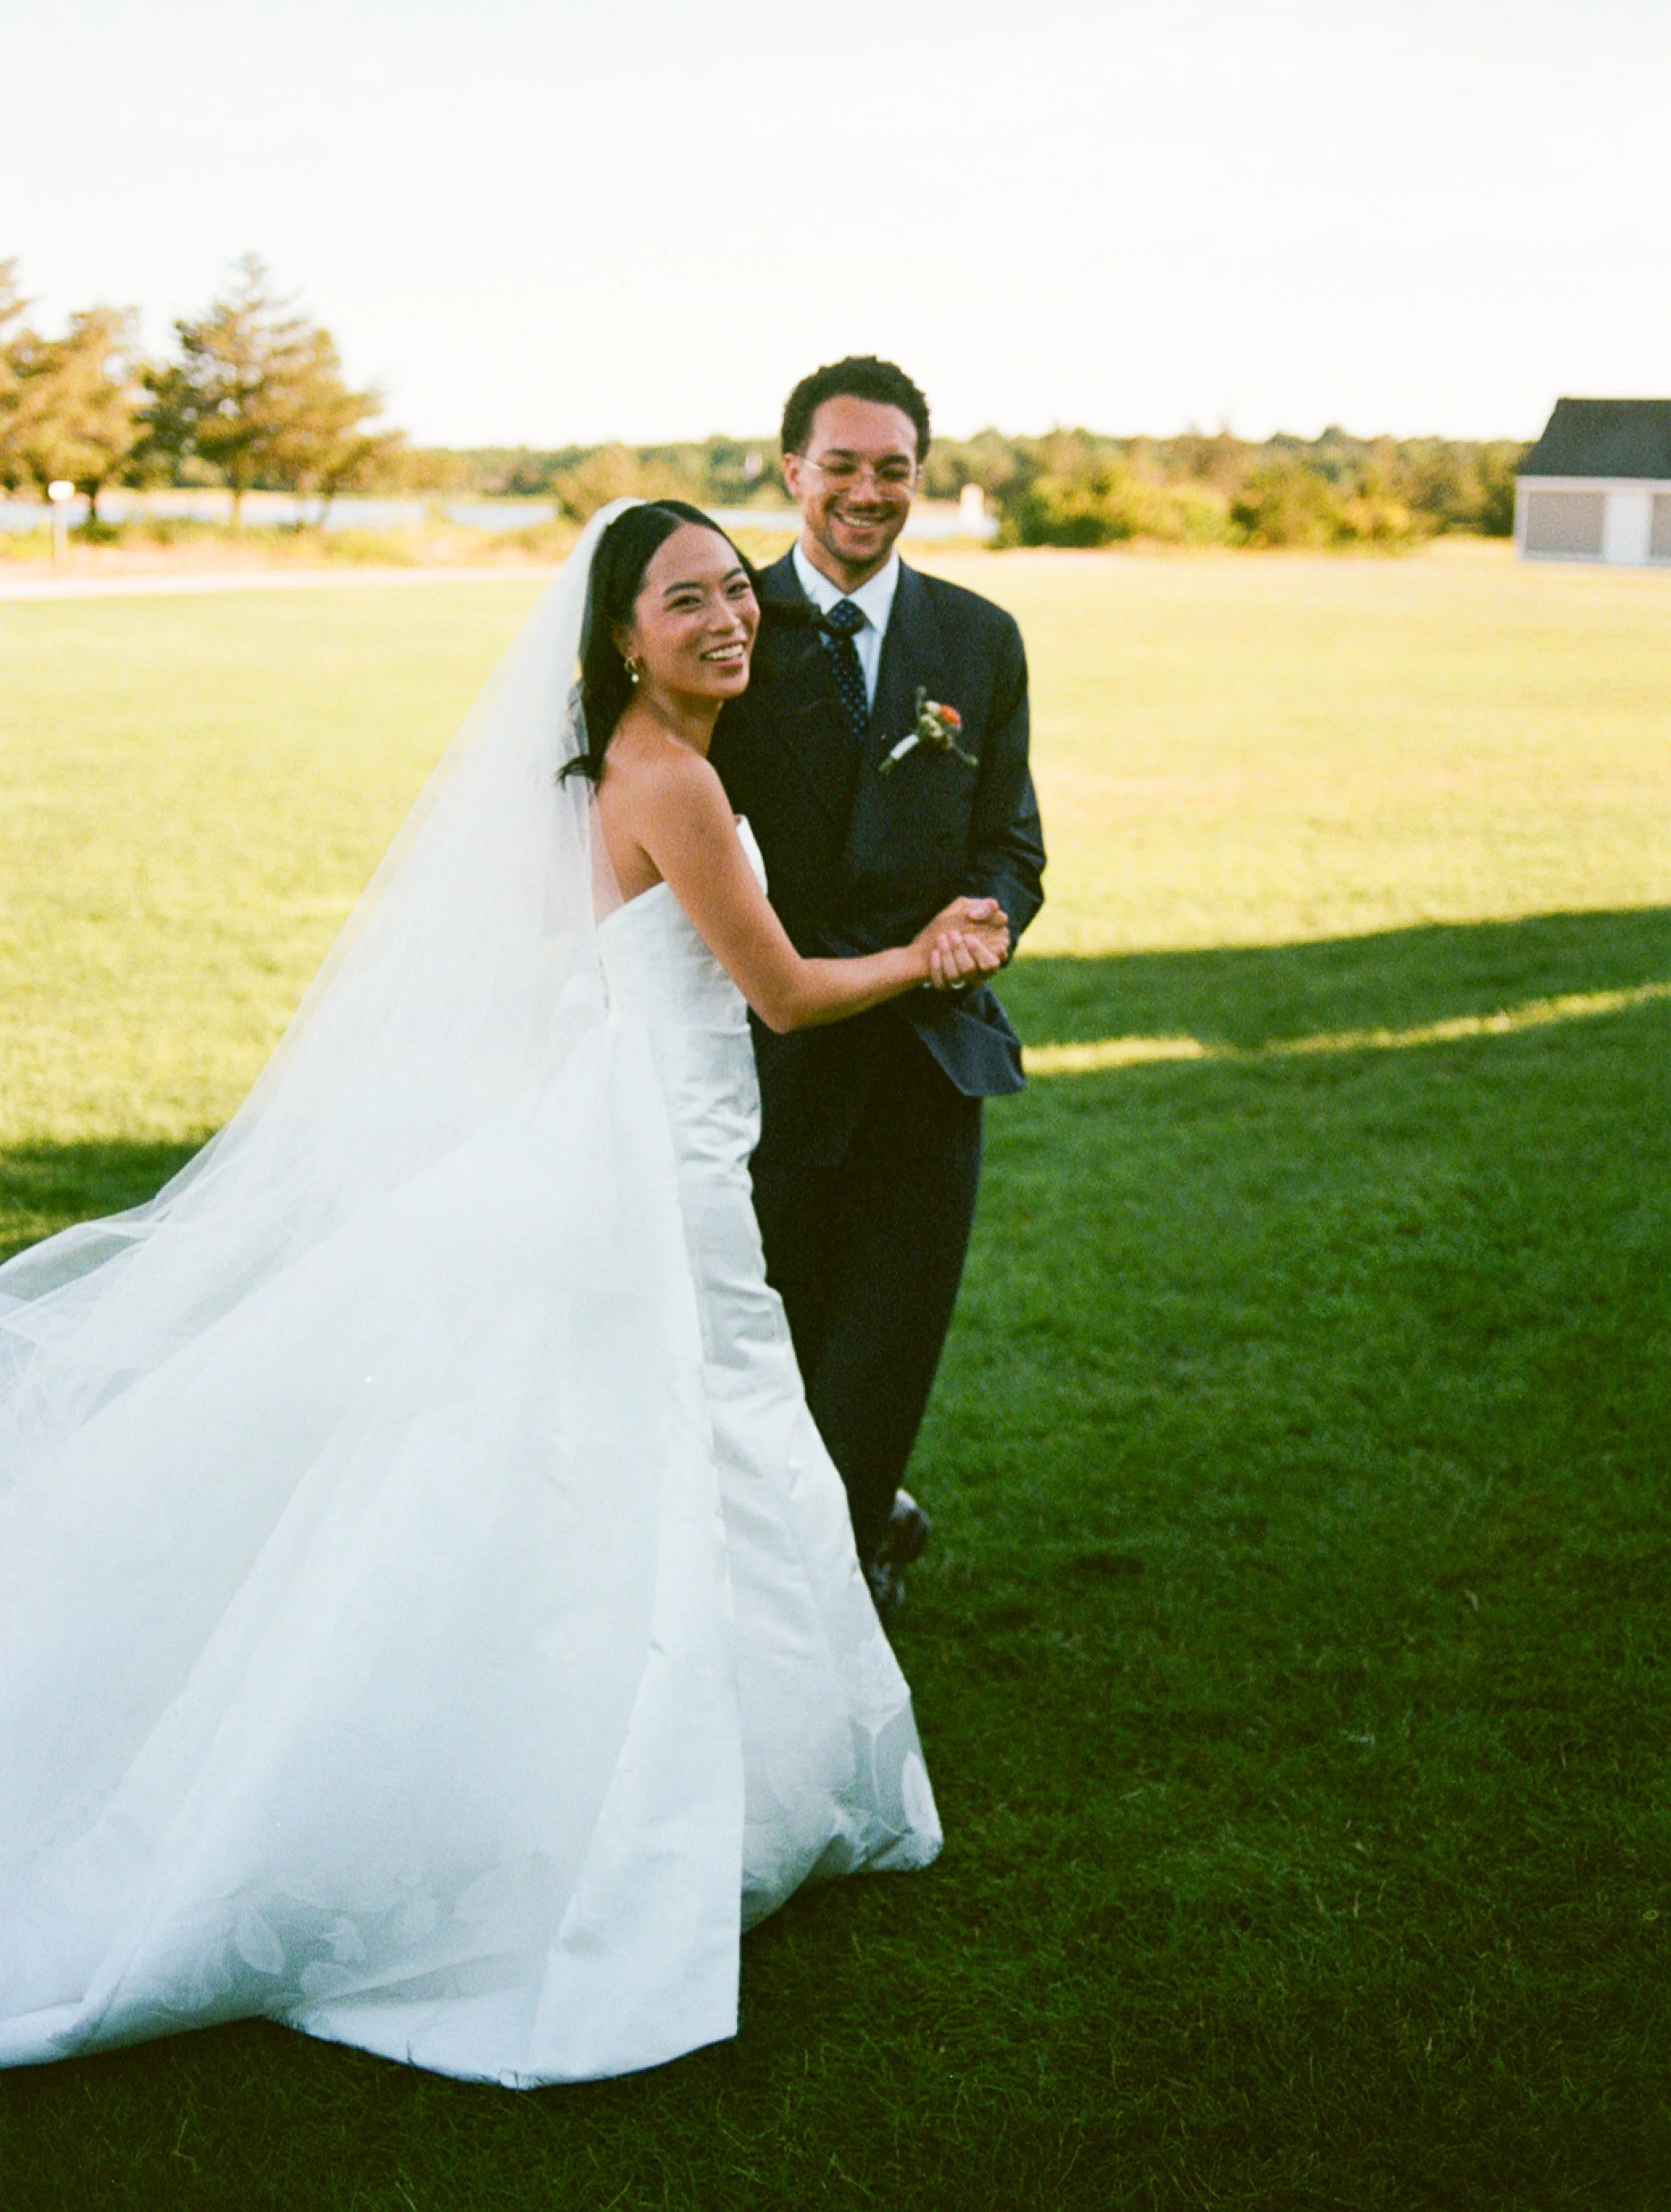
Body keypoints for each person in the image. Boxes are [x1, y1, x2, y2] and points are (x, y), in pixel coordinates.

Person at [0, 501, 1007, 2089]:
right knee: (712, 1435)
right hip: (665, 1161)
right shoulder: (666, 778)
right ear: (620, 632)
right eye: (686, 601)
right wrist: (936, 955)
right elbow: (790, 993)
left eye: (735, 591)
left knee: (670, 1446)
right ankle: (670, 1795)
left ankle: (706, 1768)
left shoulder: (618, 765)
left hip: (644, 1131)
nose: (726, 618)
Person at [712, 358, 1046, 1611]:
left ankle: (844, 1565)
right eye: (840, 465)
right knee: (770, 1341)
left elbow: (1011, 844)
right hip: (767, 1057)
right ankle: (795, 1571)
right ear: (790, 467)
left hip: (925, 1055)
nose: (867, 491)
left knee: (889, 1349)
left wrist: (987, 922)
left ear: (921, 477)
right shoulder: (725, 617)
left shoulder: (978, 638)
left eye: (892, 468)